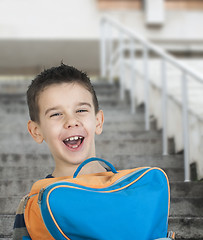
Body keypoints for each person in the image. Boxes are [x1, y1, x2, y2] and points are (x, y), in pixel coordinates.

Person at [13, 63, 105, 239]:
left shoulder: (131, 188)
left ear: (98, 122)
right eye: (56, 114)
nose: (71, 121)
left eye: (81, 110)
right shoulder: (32, 206)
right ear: (36, 131)